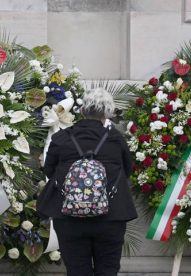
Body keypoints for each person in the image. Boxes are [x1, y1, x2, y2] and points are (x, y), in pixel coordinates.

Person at [37, 88, 137, 276]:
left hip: (68, 218)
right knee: (108, 270)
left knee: (76, 271)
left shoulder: (60, 138)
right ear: (107, 114)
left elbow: (49, 172)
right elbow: (127, 172)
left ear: (82, 111)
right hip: (111, 217)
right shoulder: (116, 139)